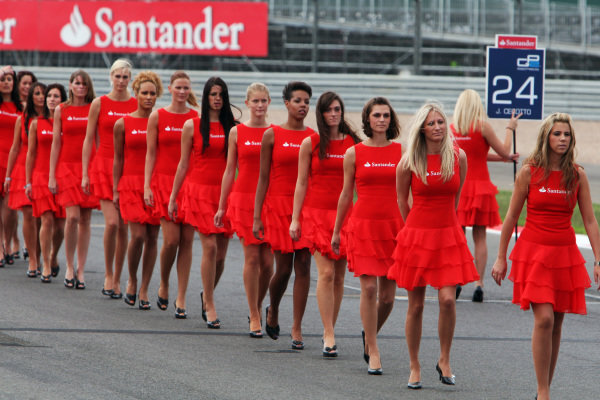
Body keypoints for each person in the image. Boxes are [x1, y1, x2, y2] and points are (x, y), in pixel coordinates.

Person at [491, 112, 600, 400]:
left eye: (566, 135)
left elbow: (589, 220)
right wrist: (501, 257)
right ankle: (543, 392)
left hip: (564, 255)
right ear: (546, 137)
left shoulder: (577, 175)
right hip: (534, 255)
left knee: (557, 323)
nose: (562, 139)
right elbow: (511, 216)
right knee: (545, 320)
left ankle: (544, 388)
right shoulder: (529, 171)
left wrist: (599, 260)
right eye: (557, 134)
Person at [387, 102, 478, 388]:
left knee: (448, 300)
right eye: (432, 123)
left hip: (448, 235)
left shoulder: (458, 156)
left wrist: (448, 224)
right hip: (417, 235)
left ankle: (444, 358)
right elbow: (402, 200)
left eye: (441, 122)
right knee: (415, 306)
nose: (438, 127)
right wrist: (412, 227)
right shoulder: (409, 161)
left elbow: (456, 195)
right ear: (422, 129)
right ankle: (414, 365)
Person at [332, 97, 403, 373]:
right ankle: (373, 348)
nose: (382, 120)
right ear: (368, 119)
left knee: (387, 297)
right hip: (363, 226)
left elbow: (407, 194)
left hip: (393, 228)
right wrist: (337, 229)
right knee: (369, 289)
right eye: (377, 115)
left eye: (386, 115)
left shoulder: (401, 152)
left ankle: (369, 332)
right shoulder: (354, 153)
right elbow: (346, 194)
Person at [290, 92, 359, 356]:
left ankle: (329, 326)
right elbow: (301, 182)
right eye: (329, 110)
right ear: (321, 113)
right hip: (316, 215)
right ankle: (329, 333)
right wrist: (296, 218)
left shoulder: (352, 143)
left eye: (338, 109)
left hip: (344, 216)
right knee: (326, 273)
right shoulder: (311, 142)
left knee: (339, 276)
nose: (334, 114)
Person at [169, 77, 237, 326]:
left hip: (225, 194)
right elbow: (183, 163)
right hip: (198, 193)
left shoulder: (233, 127)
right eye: (212, 94)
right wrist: (174, 197)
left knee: (220, 256)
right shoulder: (192, 126)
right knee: (209, 247)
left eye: (221, 94)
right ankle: (209, 302)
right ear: (206, 97)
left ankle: (206, 292)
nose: (217, 98)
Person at [253, 81, 314, 348]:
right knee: (284, 269)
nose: (303, 105)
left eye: (307, 101)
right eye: (298, 100)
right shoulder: (272, 135)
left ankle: (297, 327)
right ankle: (274, 308)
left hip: (305, 207)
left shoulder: (313, 137)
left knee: (304, 267)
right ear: (287, 103)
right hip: (277, 208)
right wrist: (257, 216)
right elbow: (262, 179)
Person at [215, 82, 274, 338]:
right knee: (252, 258)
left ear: (268, 103)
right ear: (247, 103)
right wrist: (221, 205)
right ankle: (254, 313)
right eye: (255, 101)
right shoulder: (237, 133)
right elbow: (230, 170)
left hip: (271, 201)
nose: (260, 105)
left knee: (269, 263)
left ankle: (259, 303)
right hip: (243, 199)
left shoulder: (275, 132)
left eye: (264, 101)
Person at [451, 89, 520, 301]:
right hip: (480, 187)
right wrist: (510, 128)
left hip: (458, 187)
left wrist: (503, 159)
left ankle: (456, 279)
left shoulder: (453, 129)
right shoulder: (482, 126)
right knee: (479, 237)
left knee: (457, 236)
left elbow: (472, 155)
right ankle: (479, 283)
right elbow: (505, 149)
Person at [144, 71, 198, 314]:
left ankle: (182, 297)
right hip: (164, 182)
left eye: (186, 88)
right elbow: (151, 153)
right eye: (178, 87)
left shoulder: (196, 117)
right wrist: (147, 185)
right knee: (171, 239)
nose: (182, 91)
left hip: (190, 183)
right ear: (170, 88)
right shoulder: (158, 116)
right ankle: (164, 282)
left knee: (187, 240)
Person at [82, 59, 137, 299]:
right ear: (111, 77)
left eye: (126, 77)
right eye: (118, 77)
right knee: (112, 223)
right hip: (104, 166)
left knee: (124, 225)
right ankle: (107, 273)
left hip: (129, 169)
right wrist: (85, 172)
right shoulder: (99, 103)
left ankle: (117, 276)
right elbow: (88, 139)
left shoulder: (136, 103)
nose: (122, 81)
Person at [113, 71, 163, 310]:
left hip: (155, 185)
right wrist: (115, 188)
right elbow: (118, 158)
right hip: (130, 185)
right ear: (136, 93)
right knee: (138, 236)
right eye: (144, 92)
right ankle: (131, 279)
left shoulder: (160, 120)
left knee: (153, 237)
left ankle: (144, 287)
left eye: (153, 93)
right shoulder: (122, 123)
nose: (149, 97)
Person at [48, 70, 99, 287]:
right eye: (77, 83)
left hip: (89, 167)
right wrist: (52, 174)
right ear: (70, 85)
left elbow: (97, 138)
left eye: (84, 84)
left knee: (86, 219)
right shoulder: (62, 109)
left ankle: (81, 268)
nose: (80, 87)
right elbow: (56, 142)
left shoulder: (94, 107)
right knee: (72, 218)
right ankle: (68, 265)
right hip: (67, 168)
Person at [25, 84, 67, 280]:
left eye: (56, 96)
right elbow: (31, 153)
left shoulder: (67, 122)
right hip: (41, 176)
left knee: (60, 226)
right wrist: (27, 181)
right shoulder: (36, 123)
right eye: (49, 95)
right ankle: (46, 265)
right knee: (46, 219)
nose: (51, 99)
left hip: (63, 177)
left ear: (63, 100)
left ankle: (53, 254)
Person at [5, 82, 46, 276]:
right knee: (29, 215)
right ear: (31, 97)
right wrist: (8, 176)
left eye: (44, 94)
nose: (41, 97)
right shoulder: (22, 119)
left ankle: (45, 254)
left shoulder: (56, 119)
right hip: (24, 169)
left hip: (46, 169)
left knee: (45, 217)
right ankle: (34, 259)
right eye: (36, 94)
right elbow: (15, 148)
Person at [0, 65, 23, 267]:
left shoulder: (21, 107)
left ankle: (7, 241)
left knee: (9, 208)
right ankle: (0, 246)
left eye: (9, 79)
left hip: (14, 162)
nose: (6, 82)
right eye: (3, 79)